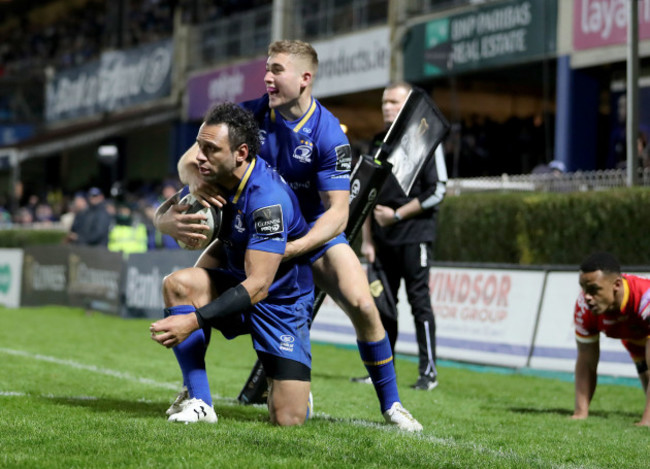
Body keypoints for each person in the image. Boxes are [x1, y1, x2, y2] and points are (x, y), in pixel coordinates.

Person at [156, 40, 422, 431]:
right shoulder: (249, 115)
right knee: (184, 286)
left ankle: (392, 405)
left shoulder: (328, 133)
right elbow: (190, 160)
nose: (267, 77)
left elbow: (338, 214)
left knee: (364, 305)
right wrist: (193, 185)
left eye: (277, 70)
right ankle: (195, 393)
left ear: (304, 78)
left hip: (309, 234)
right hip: (251, 230)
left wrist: (293, 248)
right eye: (266, 68)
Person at [150, 102, 314, 426]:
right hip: (235, 281)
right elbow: (166, 211)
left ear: (240, 152)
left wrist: (193, 320)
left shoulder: (268, 199)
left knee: (288, 419)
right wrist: (162, 224)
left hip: (279, 304)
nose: (199, 156)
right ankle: (200, 400)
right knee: (178, 284)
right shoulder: (213, 177)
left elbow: (259, 285)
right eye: (199, 145)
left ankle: (291, 386)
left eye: (210, 149)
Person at [354, 82, 446, 391]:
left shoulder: (426, 140)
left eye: (394, 102)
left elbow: (439, 190)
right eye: (384, 102)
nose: (386, 107)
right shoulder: (378, 143)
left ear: (408, 106)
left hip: (414, 235)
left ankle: (428, 372)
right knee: (381, 306)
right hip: (381, 242)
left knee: (419, 303)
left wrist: (397, 215)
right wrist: (367, 240)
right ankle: (380, 369)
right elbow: (366, 194)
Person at [572, 252, 650, 426]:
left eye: (594, 290)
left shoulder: (645, 294)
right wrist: (580, 413)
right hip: (633, 339)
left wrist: (646, 421)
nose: (587, 297)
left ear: (616, 285)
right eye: (583, 288)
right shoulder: (583, 307)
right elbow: (586, 361)